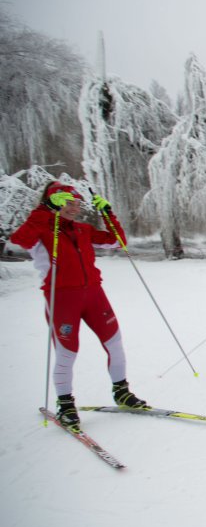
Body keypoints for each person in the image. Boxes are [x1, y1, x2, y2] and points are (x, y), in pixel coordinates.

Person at [10, 181, 148, 433]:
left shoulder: (82, 230)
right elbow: (19, 240)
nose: (74, 207)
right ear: (55, 203)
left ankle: (122, 392)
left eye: (77, 203)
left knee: (114, 342)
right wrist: (44, 209)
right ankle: (66, 406)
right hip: (62, 298)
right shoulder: (42, 230)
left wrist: (108, 214)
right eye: (68, 203)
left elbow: (117, 241)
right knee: (67, 353)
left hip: (94, 295)